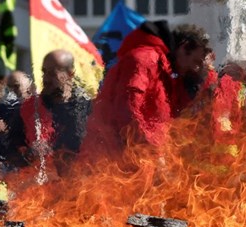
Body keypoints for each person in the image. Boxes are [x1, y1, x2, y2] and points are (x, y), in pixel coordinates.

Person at [85, 21, 211, 153]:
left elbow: (183, 115)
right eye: (196, 62)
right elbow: (127, 108)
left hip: (143, 158)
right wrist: (147, 147)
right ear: (184, 48)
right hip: (115, 156)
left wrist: (201, 78)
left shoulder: (170, 75)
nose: (196, 68)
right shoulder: (144, 59)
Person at [19, 50, 92, 169]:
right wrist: (28, 153)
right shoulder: (29, 108)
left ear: (70, 73)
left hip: (82, 182)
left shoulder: (88, 109)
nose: (46, 79)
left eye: (52, 73)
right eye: (44, 72)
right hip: (40, 183)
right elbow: (10, 152)